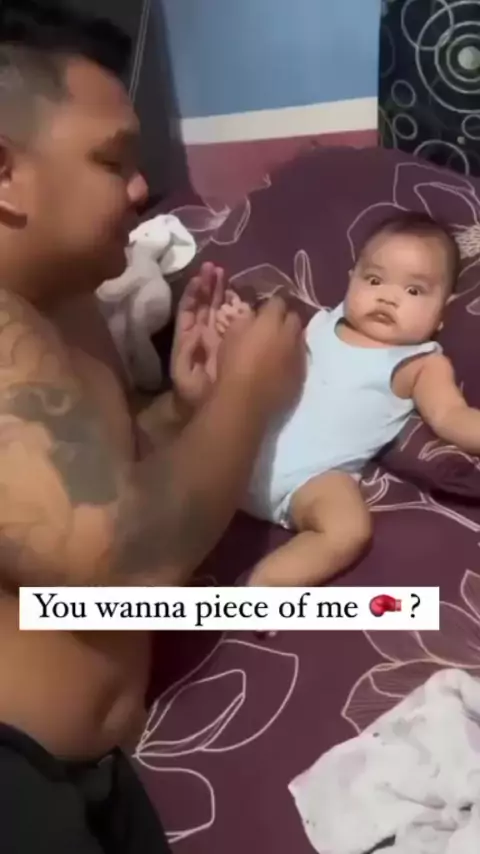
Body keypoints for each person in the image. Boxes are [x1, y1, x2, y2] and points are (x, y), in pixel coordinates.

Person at [0, 2, 305, 852]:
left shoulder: (71, 304)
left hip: (92, 774)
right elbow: (124, 560)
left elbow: (102, 490)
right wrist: (249, 394)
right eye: (112, 161)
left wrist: (183, 408)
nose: (141, 189)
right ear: (4, 173)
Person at [214, 211, 480, 587]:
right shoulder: (317, 323)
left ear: (443, 313)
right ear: (350, 280)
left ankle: (267, 585)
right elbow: (261, 362)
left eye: (414, 291)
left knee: (348, 530)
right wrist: (237, 329)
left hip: (311, 483)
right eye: (374, 280)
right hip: (240, 448)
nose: (388, 296)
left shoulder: (420, 363)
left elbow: (451, 415)